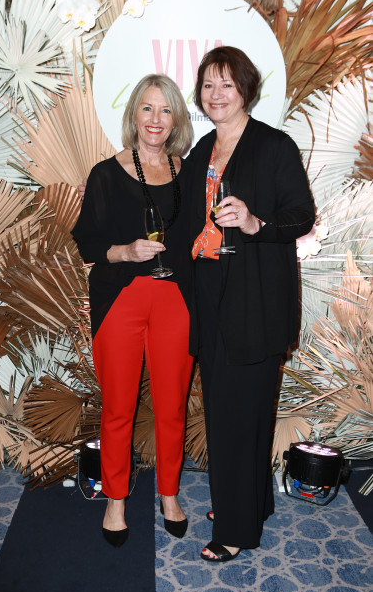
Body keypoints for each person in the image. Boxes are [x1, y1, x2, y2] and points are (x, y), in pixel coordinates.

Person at [187, 46, 315, 562]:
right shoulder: (202, 149)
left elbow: (301, 216)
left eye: (227, 84)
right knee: (228, 409)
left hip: (256, 299)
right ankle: (252, 502)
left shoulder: (273, 145)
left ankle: (235, 529)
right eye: (208, 85)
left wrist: (256, 222)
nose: (216, 94)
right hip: (210, 293)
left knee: (240, 412)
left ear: (245, 90)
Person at [72, 74, 194, 547]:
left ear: (176, 119)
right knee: (118, 407)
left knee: (172, 406)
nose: (155, 119)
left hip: (176, 301)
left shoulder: (189, 172)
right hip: (120, 298)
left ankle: (169, 493)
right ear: (133, 115)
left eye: (165, 110)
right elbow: (87, 242)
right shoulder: (106, 173)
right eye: (147, 108)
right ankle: (116, 499)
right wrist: (125, 251)